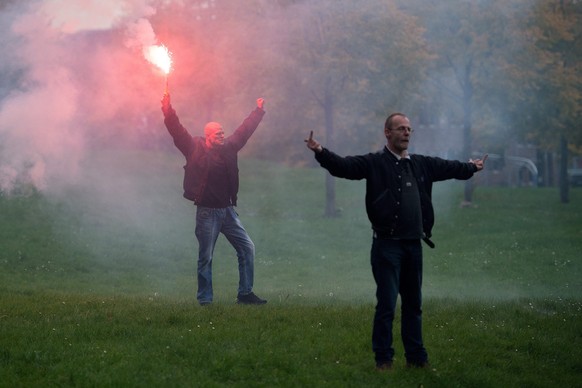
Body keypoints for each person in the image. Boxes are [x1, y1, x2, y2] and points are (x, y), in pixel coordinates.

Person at [305, 113, 487, 370]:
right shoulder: (374, 162)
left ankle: (417, 359)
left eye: (409, 129)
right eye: (401, 129)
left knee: (414, 305)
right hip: (386, 247)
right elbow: (343, 167)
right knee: (387, 305)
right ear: (387, 133)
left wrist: (471, 167)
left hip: (414, 245)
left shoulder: (421, 164)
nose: (407, 133)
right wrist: (320, 151)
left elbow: (450, 168)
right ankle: (384, 360)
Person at [161, 92, 268, 306]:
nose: (222, 135)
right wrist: (167, 108)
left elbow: (244, 131)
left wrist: (258, 111)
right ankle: (205, 300)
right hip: (207, 213)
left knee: (247, 248)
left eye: (222, 133)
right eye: (218, 133)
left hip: (227, 212)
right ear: (208, 136)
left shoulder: (229, 148)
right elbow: (176, 129)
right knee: (206, 257)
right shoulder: (193, 148)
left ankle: (245, 294)